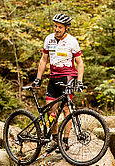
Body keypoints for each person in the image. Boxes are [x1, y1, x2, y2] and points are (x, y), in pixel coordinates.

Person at [32, 13, 84, 153]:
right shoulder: (48, 39)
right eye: (55, 26)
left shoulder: (72, 41)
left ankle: (65, 141)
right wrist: (38, 77)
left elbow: (79, 63)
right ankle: (55, 140)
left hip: (67, 77)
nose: (57, 29)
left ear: (66, 28)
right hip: (53, 77)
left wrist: (79, 81)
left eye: (60, 27)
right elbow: (44, 59)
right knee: (51, 110)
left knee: (67, 109)